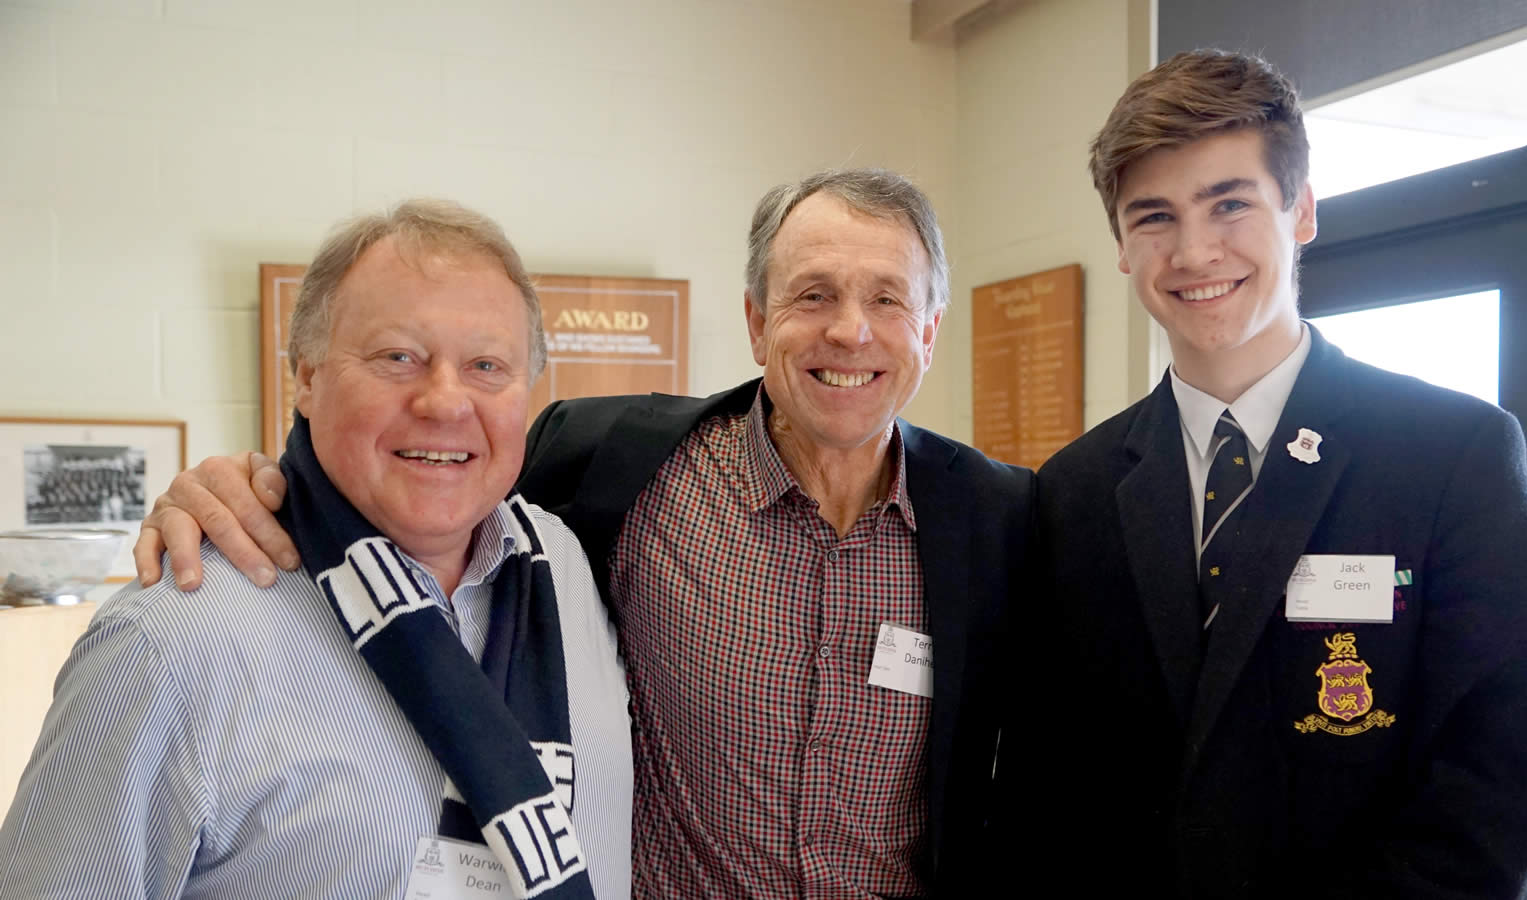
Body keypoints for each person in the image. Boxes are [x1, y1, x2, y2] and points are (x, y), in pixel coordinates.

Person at [131, 169, 1035, 898]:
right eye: (813, 294)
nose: (850, 330)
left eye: (887, 299)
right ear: (758, 323)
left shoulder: (999, 518)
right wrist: (248, 486)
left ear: (929, 328)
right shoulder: (616, 464)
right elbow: (423, 470)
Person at [1001, 50, 1527, 897]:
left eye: (1230, 205)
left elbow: (1491, 785)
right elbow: (1050, 785)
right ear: (1121, 243)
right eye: (1153, 217)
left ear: (1301, 210)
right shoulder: (1073, 489)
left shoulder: (1454, 453)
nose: (1194, 252)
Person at [0, 200, 632, 899]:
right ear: (306, 377)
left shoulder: (570, 567)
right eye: (399, 357)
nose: (446, 402)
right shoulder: (169, 640)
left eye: (487, 366)